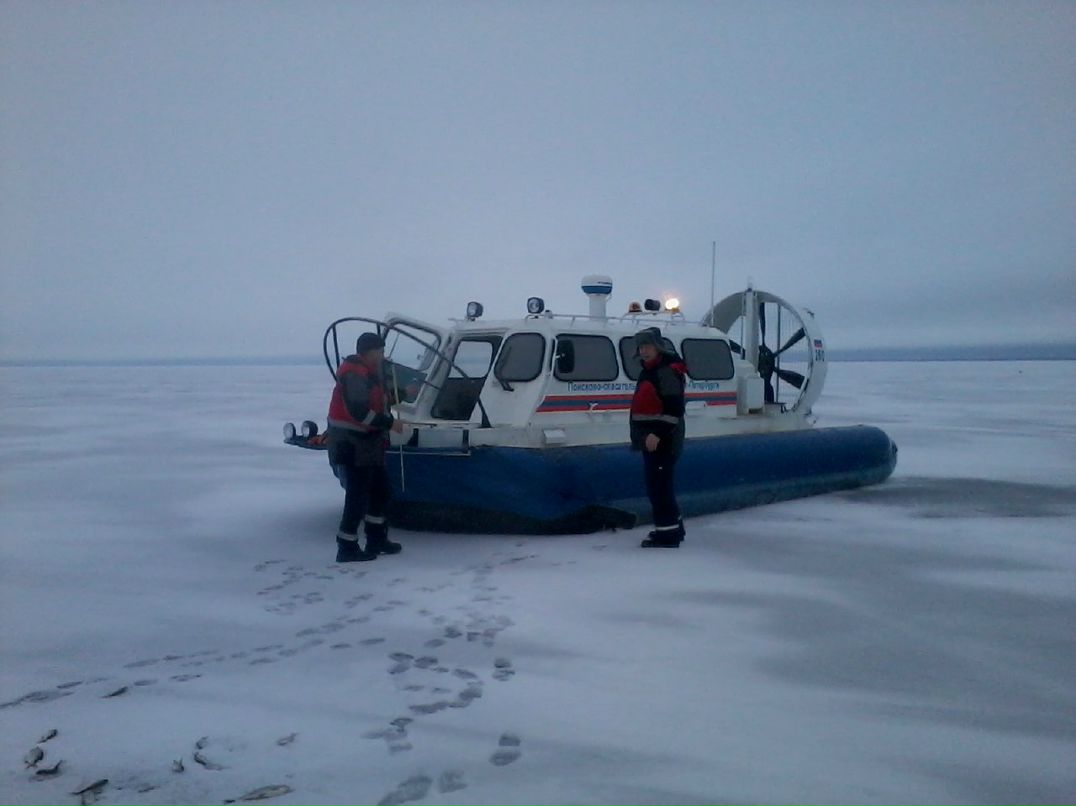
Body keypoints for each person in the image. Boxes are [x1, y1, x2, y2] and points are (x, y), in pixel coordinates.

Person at [326, 332, 405, 562]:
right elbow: (360, 411)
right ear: (367, 352)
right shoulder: (354, 373)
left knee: (381, 492)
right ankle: (347, 546)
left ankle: (376, 539)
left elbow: (376, 400)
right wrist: (391, 423)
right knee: (357, 496)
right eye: (379, 351)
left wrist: (401, 397)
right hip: (351, 444)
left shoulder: (369, 373)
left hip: (368, 445)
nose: (382, 355)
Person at [629, 326, 687, 548]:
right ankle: (672, 528)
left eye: (648, 346)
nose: (644, 351)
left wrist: (657, 434)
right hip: (651, 439)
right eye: (641, 347)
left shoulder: (665, 372)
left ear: (657, 347)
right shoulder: (650, 370)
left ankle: (667, 535)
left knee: (659, 487)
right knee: (660, 486)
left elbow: (674, 409)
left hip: (663, 440)